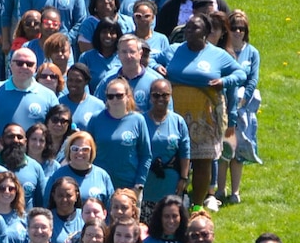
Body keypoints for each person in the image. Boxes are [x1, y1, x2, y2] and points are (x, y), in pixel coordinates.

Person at [155, 14, 244, 208]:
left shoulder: (217, 55)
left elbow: (241, 73)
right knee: (176, 160)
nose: (188, 31)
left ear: (205, 32)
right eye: (187, 27)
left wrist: (224, 81)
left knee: (203, 162)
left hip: (205, 116)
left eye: (194, 28)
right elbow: (150, 58)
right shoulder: (173, 50)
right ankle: (176, 202)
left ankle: (196, 206)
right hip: (175, 113)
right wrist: (156, 66)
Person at [219, 9, 261, 204]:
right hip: (223, 107)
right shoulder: (222, 51)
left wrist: (243, 100)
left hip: (243, 108)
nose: (237, 32)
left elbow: (253, 79)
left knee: (239, 152)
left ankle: (235, 191)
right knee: (224, 149)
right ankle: (220, 189)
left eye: (241, 28)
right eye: (234, 27)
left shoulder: (252, 53)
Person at [88, 77, 151, 193]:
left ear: (128, 97)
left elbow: (146, 155)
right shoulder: (96, 119)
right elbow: (88, 150)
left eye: (119, 95)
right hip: (100, 185)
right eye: (110, 96)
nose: (115, 99)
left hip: (129, 187)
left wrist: (139, 184)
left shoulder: (138, 120)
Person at [140, 79, 190, 214]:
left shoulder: (178, 121)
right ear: (150, 97)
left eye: (165, 95)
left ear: (171, 96)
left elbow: (185, 152)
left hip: (171, 181)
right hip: (146, 181)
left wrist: (184, 178)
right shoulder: (140, 120)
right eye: (156, 95)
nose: (160, 99)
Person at [46, 131, 113, 208]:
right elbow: (47, 205)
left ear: (92, 152)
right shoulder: (58, 175)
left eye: (85, 149)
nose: (80, 153)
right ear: (69, 151)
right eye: (75, 149)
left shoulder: (102, 175)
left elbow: (110, 208)